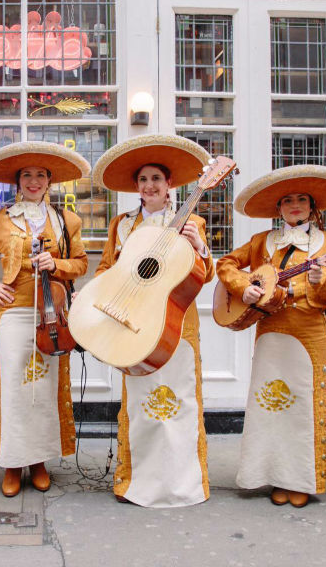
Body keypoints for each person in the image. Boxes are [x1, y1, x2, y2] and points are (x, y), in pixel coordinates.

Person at [216, 165, 326, 508]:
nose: (295, 205)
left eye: (302, 199)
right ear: (278, 208)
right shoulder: (263, 241)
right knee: (270, 405)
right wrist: (244, 287)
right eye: (287, 200)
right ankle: (272, 475)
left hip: (309, 334)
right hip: (270, 332)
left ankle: (301, 480)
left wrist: (320, 281)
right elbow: (226, 265)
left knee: (304, 406)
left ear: (313, 207)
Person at [91, 134, 214, 507]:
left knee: (179, 402)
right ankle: (138, 482)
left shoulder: (192, 221)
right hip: (134, 320)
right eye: (143, 180)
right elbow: (107, 268)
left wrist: (199, 245)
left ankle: (182, 483)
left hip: (176, 321)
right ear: (136, 187)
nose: (150, 186)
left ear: (170, 184)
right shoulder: (122, 224)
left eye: (156, 179)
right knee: (140, 405)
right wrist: (93, 295)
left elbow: (205, 273)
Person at [0, 141, 89, 497]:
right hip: (13, 315)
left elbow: (80, 263)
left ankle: (39, 461)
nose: (33, 181)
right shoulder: (0, 221)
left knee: (45, 390)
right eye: (26, 175)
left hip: (53, 316)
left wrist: (58, 264)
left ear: (49, 180)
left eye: (40, 175)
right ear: (16, 182)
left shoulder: (67, 220)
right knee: (15, 391)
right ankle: (13, 463)